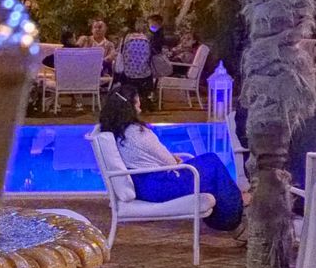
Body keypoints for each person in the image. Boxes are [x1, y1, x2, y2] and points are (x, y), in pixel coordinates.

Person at [99, 89, 243, 230]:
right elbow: (169, 162)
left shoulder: (115, 131)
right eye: (137, 103)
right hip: (157, 186)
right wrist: (175, 160)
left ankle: (231, 211)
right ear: (128, 107)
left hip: (143, 185)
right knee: (212, 161)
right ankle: (231, 216)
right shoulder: (137, 133)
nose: (140, 107)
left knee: (211, 175)